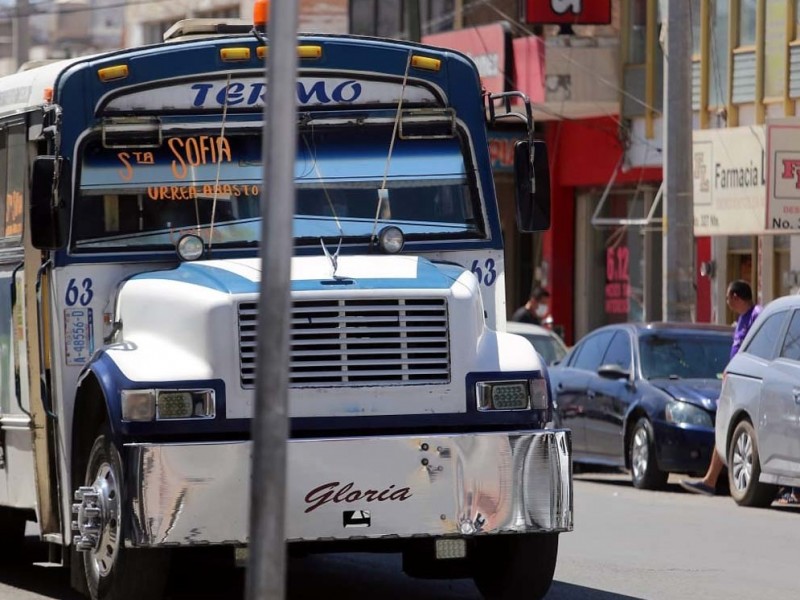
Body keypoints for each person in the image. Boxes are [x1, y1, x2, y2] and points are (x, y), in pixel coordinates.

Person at [679, 279, 762, 496]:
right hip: (736, 381)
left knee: (734, 428)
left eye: (727, 298)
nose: (727, 302)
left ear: (736, 296)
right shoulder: (742, 319)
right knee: (725, 427)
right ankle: (710, 480)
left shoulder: (757, 314)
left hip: (749, 382)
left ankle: (711, 480)